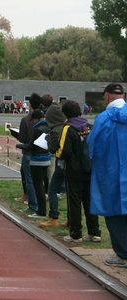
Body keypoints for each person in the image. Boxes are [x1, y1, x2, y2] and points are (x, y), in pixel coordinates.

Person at [88, 83, 127, 267]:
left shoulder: (103, 119)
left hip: (110, 174)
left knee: (113, 212)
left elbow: (93, 146)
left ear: (108, 96)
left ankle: (122, 254)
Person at [56, 100, 101, 243]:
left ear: (65, 114)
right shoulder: (89, 126)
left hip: (74, 170)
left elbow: (64, 151)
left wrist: (56, 153)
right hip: (90, 168)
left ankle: (76, 233)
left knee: (74, 202)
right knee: (89, 201)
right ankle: (94, 232)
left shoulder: (68, 128)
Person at [16, 109, 51, 219]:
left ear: (36, 119)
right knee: (41, 184)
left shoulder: (37, 129)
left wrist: (20, 146)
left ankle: (37, 208)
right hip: (47, 158)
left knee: (36, 185)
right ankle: (40, 208)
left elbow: (32, 145)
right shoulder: (49, 127)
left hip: (37, 159)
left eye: (34, 120)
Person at [39, 103, 66, 228]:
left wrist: (48, 139)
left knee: (52, 190)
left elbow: (53, 149)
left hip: (62, 163)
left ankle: (53, 217)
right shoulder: (68, 126)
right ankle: (73, 220)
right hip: (77, 164)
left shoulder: (56, 131)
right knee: (74, 194)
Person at [16, 93, 41, 213]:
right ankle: (40, 205)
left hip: (28, 152)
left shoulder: (26, 120)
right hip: (42, 152)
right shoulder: (44, 119)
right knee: (40, 180)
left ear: (29, 104)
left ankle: (33, 205)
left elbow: (22, 138)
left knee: (29, 179)